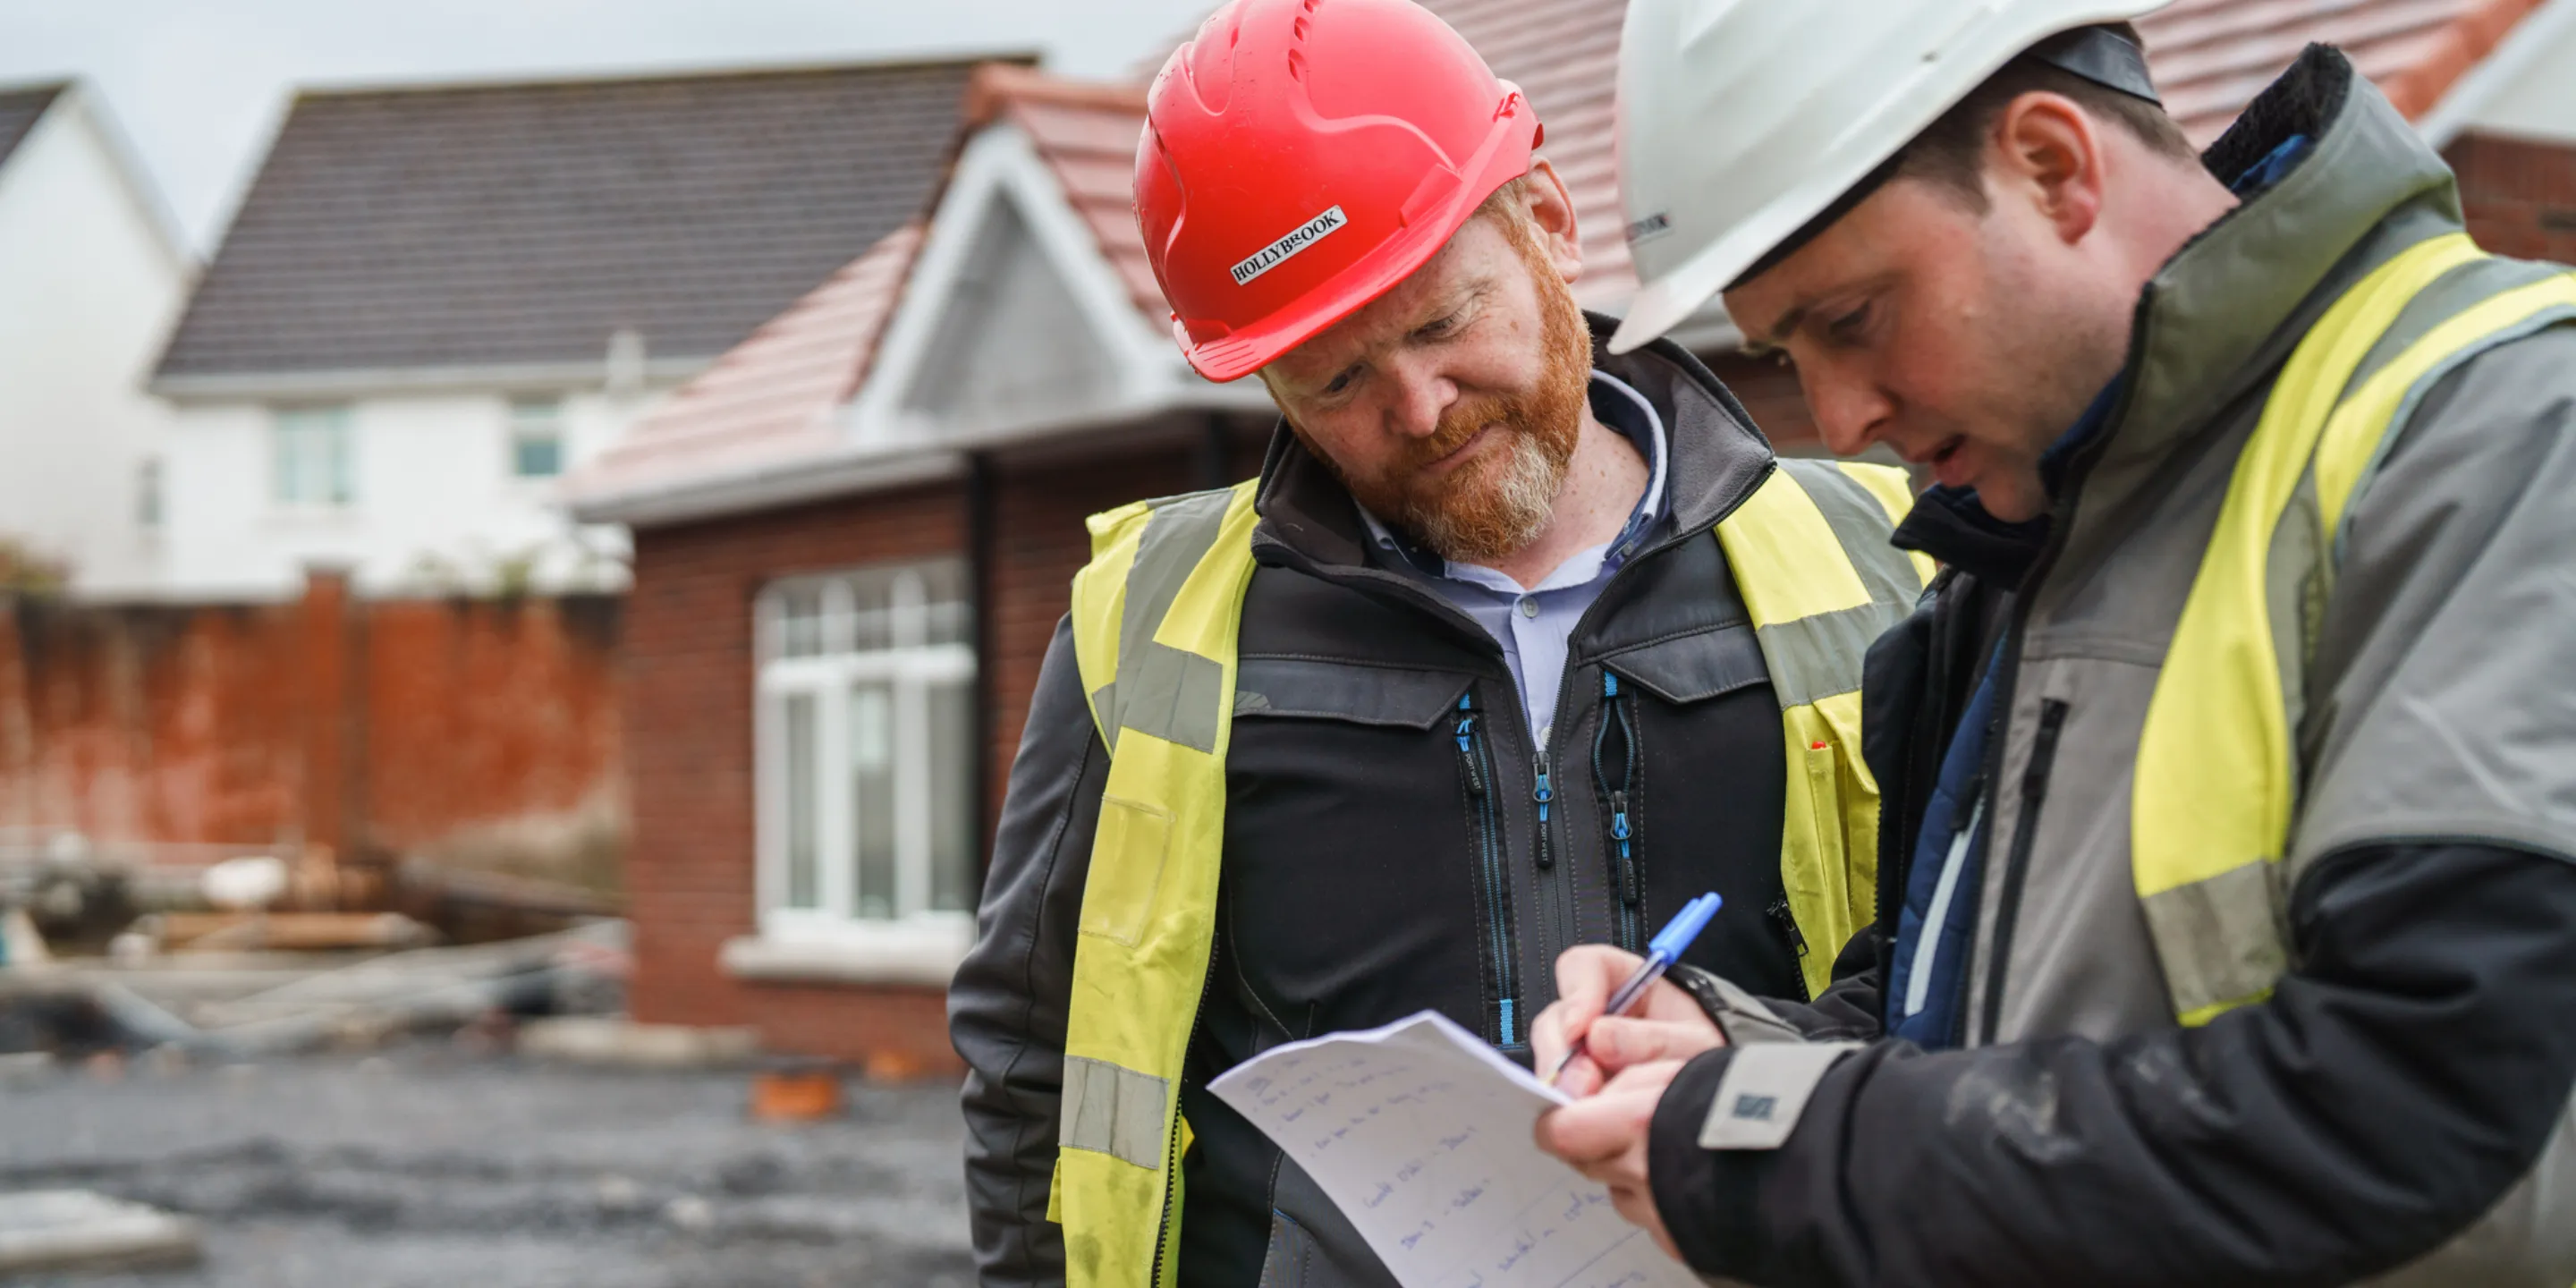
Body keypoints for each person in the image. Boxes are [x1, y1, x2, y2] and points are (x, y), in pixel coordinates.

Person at [1529, 2, 2576, 1284]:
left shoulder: (2504, 427)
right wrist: (1733, 1055)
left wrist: (1771, 1139)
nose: (1843, 416)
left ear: (2052, 167)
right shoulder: (2038, 512)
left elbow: (2421, 1102)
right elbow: (1969, 1022)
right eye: (1789, 353)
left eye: (1851, 317)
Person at [946, 0, 1928, 1284]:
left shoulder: (1891, 558)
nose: (1417, 408)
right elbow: (1029, 1060)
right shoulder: (1150, 622)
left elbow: (1973, 993)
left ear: (1551, 225)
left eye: (1437, 322)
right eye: (1334, 382)